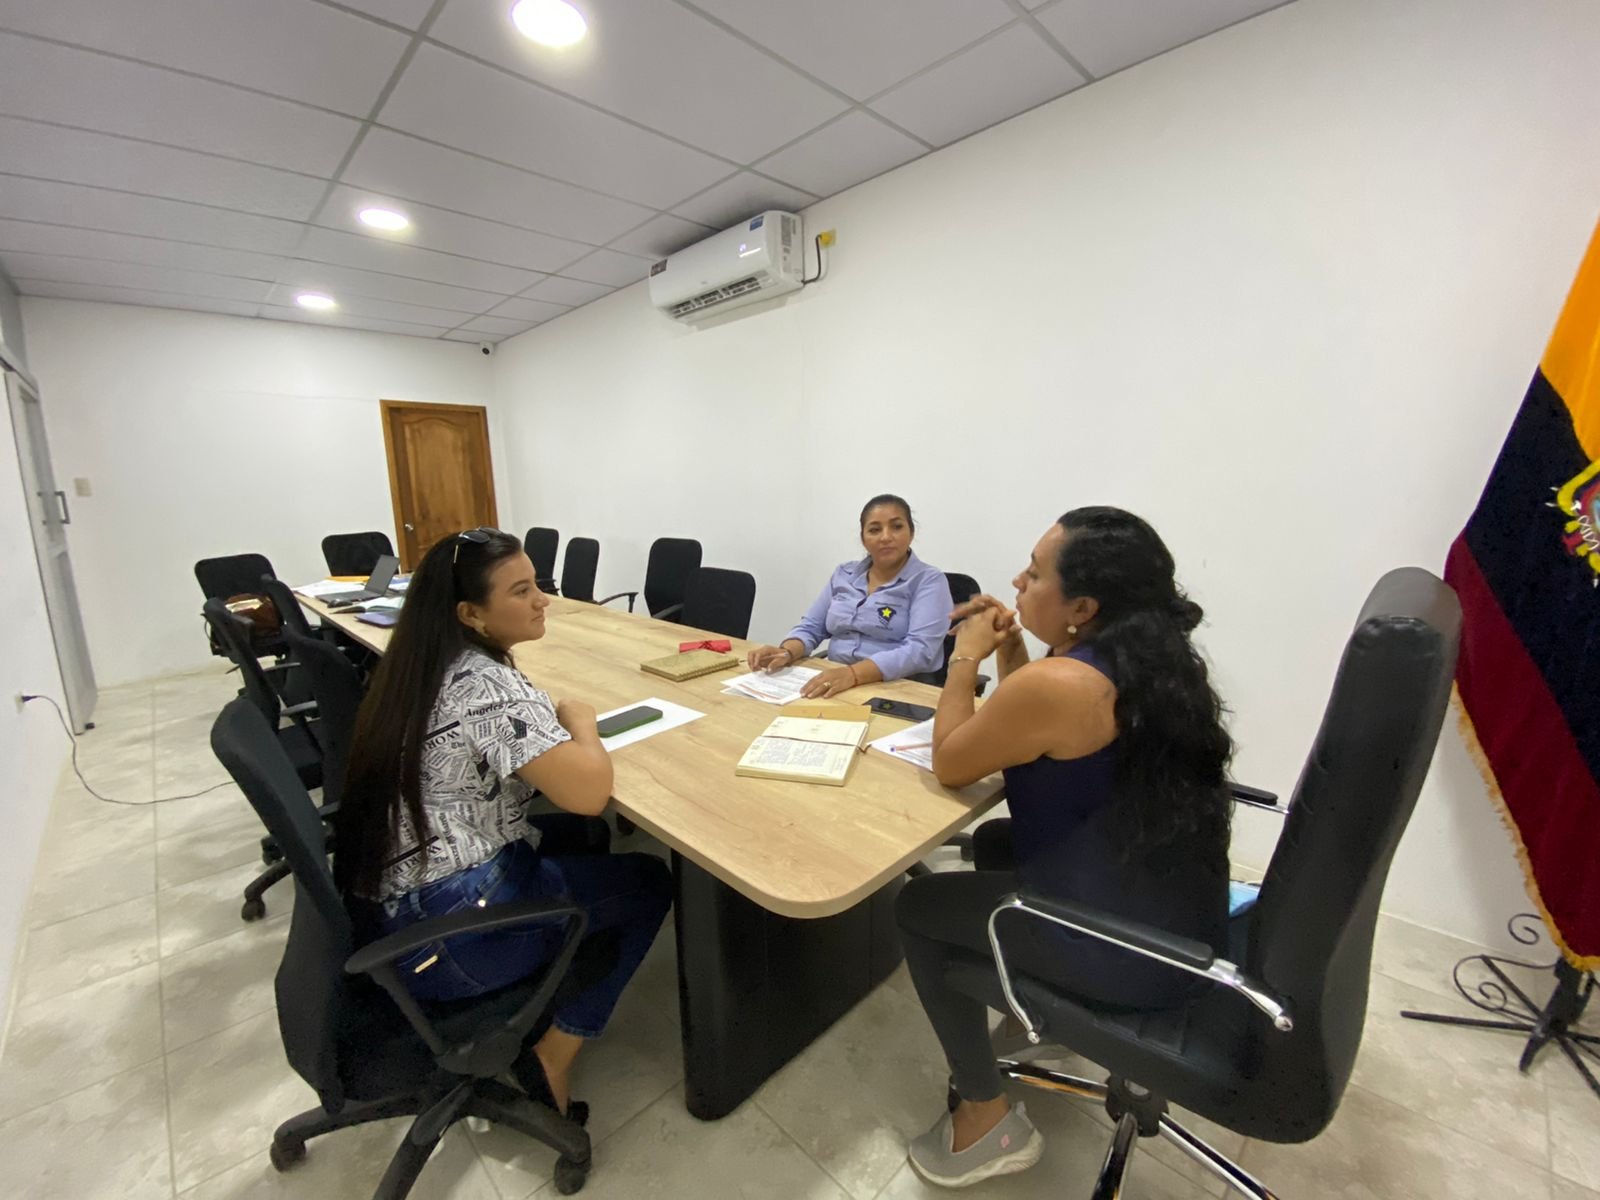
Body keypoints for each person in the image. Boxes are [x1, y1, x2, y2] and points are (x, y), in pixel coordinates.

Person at [896, 507, 1233, 1188]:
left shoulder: (1064, 686)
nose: (1018, 582)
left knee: (919, 907)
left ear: (1083, 607)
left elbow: (952, 761)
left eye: (1034, 573)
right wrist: (1012, 653)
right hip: (1179, 918)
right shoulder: (1146, 661)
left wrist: (964, 657)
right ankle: (1039, 1018)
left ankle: (984, 1119)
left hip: (1129, 951)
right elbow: (1042, 721)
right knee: (997, 839)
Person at [335, 527, 673, 1117]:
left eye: (537, 583)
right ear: (470, 614)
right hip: (448, 937)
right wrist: (579, 721)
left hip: (403, 905)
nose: (543, 600)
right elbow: (588, 793)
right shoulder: (483, 683)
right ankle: (554, 1055)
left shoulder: (423, 662)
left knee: (587, 841)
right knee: (648, 881)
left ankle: (554, 975)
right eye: (521, 591)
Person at [746, 494, 955, 699]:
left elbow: (920, 651)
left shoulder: (928, 581)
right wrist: (786, 652)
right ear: (863, 538)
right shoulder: (844, 574)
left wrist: (853, 674)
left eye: (896, 526)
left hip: (898, 687)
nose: (885, 537)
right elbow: (812, 627)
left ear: (911, 532)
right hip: (835, 678)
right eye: (874, 530)